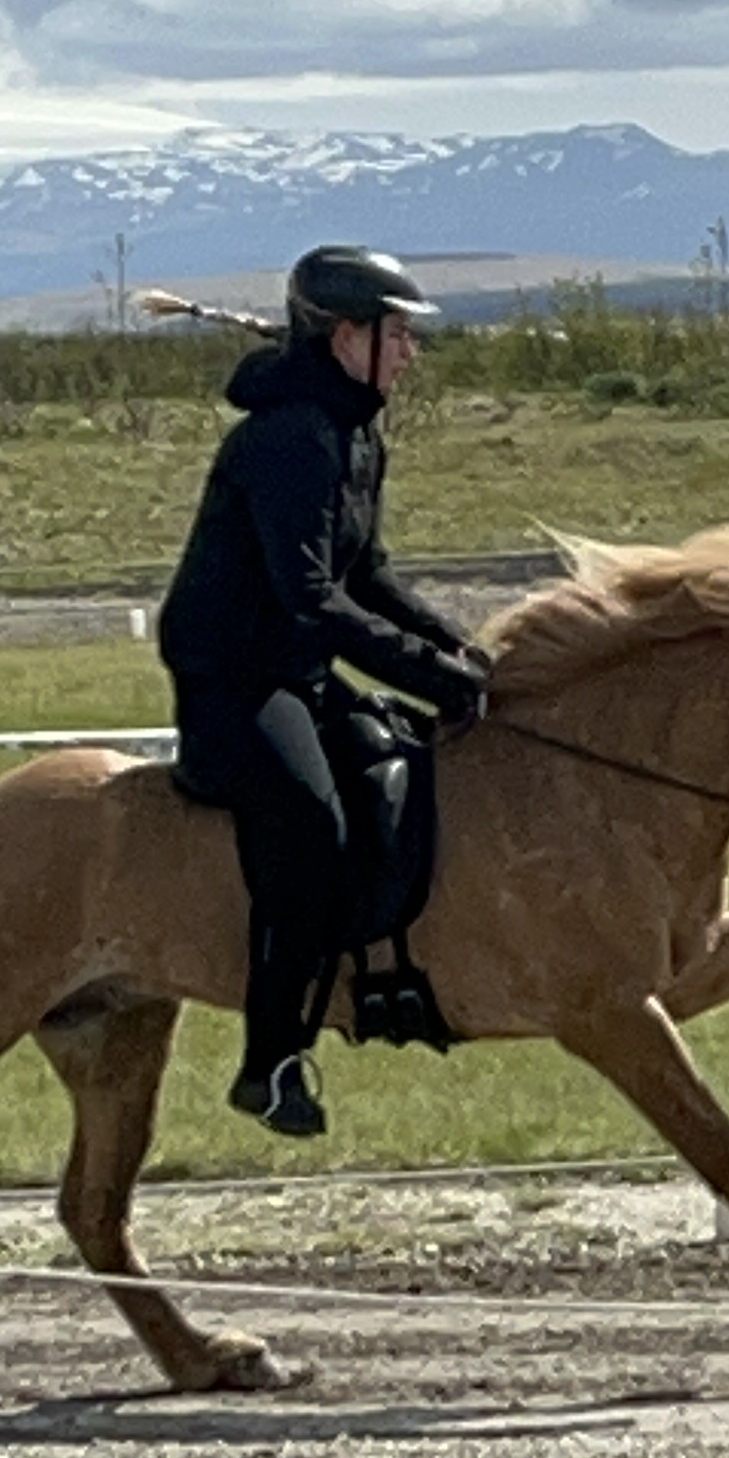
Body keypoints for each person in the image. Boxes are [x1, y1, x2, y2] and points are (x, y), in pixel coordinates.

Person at [157, 245, 492, 1138]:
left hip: (297, 668)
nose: (409, 354)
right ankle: (268, 1061)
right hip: (233, 679)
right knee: (312, 824)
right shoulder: (287, 439)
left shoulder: (354, 430)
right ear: (348, 337)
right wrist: (427, 675)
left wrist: (462, 650)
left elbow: (368, 574)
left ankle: (384, 982)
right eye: (397, 335)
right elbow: (310, 597)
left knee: (395, 771)